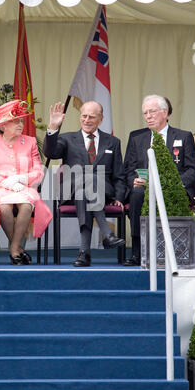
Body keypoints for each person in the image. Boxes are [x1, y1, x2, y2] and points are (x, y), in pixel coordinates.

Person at [43, 101, 126, 267]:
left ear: (101, 119)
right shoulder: (67, 138)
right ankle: (107, 234)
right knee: (84, 185)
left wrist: (119, 197)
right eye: (84, 116)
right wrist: (53, 127)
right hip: (71, 190)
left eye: (92, 117)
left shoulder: (113, 142)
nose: (87, 120)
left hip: (103, 190)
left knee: (87, 187)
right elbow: (50, 152)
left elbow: (119, 173)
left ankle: (84, 253)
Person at [124, 94, 195, 266]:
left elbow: (192, 171)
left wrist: (171, 183)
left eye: (152, 112)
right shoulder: (137, 138)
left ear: (165, 113)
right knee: (136, 195)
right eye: (145, 113)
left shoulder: (183, 136)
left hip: (174, 188)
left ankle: (175, 251)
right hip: (144, 188)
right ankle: (137, 251)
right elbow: (128, 169)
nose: (148, 116)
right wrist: (134, 180)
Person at [0, 99, 52, 265]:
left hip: (24, 188)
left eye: (21, 121)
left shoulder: (30, 142)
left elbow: (38, 171)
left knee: (26, 206)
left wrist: (22, 179)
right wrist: (7, 183)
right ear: (3, 125)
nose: (20, 124)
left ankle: (14, 249)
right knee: (4, 207)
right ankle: (18, 250)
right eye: (15, 121)